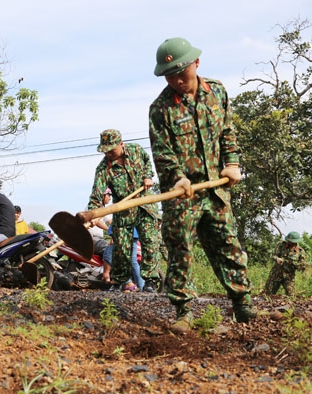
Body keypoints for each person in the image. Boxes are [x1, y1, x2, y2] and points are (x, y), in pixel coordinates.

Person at [149, 37, 256, 333]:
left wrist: (232, 163)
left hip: (216, 190)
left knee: (227, 244)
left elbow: (227, 133)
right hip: (182, 194)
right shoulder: (160, 109)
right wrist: (177, 178)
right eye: (170, 76)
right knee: (180, 249)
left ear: (197, 63)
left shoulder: (217, 92)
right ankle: (183, 311)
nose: (177, 81)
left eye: (182, 73)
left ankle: (242, 304)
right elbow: (162, 152)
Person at [87, 129, 162, 293]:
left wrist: (148, 176)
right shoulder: (103, 168)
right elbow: (97, 193)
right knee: (121, 249)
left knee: (150, 243)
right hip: (123, 210)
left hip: (145, 206)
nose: (108, 153)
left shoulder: (136, 150)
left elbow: (147, 161)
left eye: (111, 149)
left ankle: (150, 281)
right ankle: (119, 281)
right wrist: (93, 213)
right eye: (105, 150)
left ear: (121, 144)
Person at [264, 231, 307, 296]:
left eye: (292, 242)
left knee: (291, 296)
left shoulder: (300, 251)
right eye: (289, 241)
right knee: (269, 294)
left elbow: (301, 265)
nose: (290, 243)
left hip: (289, 276)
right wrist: (277, 259)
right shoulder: (280, 245)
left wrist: (300, 266)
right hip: (276, 273)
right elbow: (274, 256)